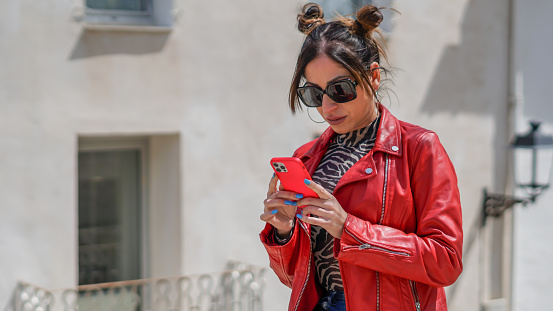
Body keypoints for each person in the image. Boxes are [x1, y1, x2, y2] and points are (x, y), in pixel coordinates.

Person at [259, 3, 463, 311]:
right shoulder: (306, 158)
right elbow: (296, 279)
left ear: (374, 77)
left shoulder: (419, 148)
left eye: (340, 89)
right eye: (314, 94)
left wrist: (350, 230)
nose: (327, 107)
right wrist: (284, 231)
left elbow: (445, 262)